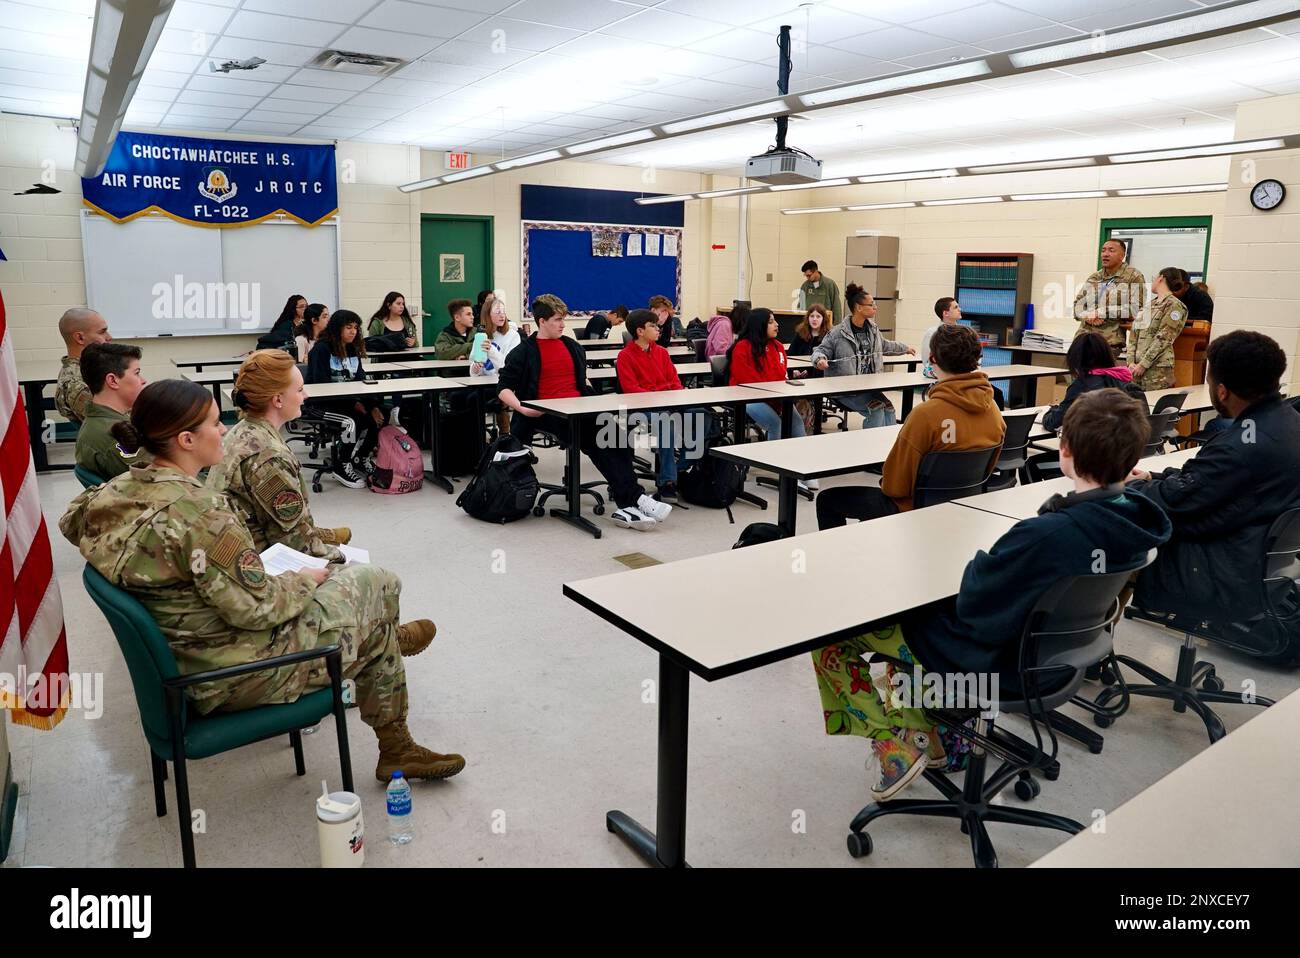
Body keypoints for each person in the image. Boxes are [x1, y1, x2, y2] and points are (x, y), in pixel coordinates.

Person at [59, 379, 464, 782]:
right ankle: (395, 734)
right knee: (375, 582)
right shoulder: (201, 514)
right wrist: (304, 579)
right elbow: (258, 609)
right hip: (229, 674)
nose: (224, 431)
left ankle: (389, 682)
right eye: (215, 424)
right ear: (185, 439)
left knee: (366, 597)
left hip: (186, 653)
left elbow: (70, 521)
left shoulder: (114, 492)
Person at [813, 388, 1170, 799]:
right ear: (1134, 459)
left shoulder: (1046, 533)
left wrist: (982, 559)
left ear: (1065, 449)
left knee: (832, 637)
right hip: (1057, 662)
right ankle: (929, 737)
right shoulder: (1136, 521)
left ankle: (893, 746)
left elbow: (973, 602)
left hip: (1000, 665)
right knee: (911, 627)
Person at [1128, 331, 1300, 624]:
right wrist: (1153, 477)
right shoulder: (1289, 422)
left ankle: (1085, 629)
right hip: (1263, 562)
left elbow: (1175, 502)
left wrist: (1130, 486)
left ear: (1222, 392)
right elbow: (1209, 487)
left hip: (1225, 572)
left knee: (1116, 519)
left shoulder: (1239, 447)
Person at [496, 297, 672, 531]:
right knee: (598, 438)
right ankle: (634, 499)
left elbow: (582, 380)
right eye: (557, 320)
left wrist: (596, 400)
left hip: (579, 408)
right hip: (547, 413)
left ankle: (629, 503)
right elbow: (503, 389)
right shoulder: (523, 352)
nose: (562, 324)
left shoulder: (572, 346)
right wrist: (522, 408)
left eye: (563, 319)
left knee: (615, 436)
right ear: (542, 321)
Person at [814, 324, 1005, 530]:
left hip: (915, 510)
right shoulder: (993, 410)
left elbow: (895, 487)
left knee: (828, 500)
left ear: (932, 359)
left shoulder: (926, 415)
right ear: (976, 359)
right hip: (965, 506)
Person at [208, 349, 353, 563]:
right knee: (381, 579)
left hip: (234, 548)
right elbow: (296, 547)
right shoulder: (268, 457)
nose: (306, 396)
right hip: (255, 564)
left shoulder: (243, 430)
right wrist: (343, 558)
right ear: (277, 399)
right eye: (300, 390)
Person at [1026, 332, 1142, 481]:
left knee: (1031, 464)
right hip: (1124, 459)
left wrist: (1051, 411)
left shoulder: (1081, 386)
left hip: (1093, 461)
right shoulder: (1124, 380)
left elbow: (1053, 422)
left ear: (1076, 359)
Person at [728, 309, 813, 490]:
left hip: (775, 396)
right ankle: (781, 471)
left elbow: (780, 375)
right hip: (747, 397)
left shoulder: (777, 346)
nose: (777, 325)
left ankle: (803, 467)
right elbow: (746, 381)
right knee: (777, 425)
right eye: (771, 322)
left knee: (797, 422)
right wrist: (775, 395)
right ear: (759, 325)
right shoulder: (742, 347)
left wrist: (785, 388)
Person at [811, 283, 915, 428]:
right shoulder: (837, 332)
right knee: (876, 410)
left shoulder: (872, 329)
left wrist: (905, 348)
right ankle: (870, 444)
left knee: (889, 409)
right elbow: (819, 350)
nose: (875, 307)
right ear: (859, 307)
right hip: (845, 390)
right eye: (871, 304)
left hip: (868, 388)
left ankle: (889, 446)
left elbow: (884, 345)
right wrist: (820, 360)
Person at [305, 309, 385, 488]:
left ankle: (361, 458)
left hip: (346, 402)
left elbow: (360, 380)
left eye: (356, 328)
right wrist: (354, 403)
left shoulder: (351, 349)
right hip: (320, 403)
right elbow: (322, 386)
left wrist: (372, 406)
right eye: (348, 327)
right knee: (351, 422)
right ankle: (342, 464)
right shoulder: (322, 350)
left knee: (377, 418)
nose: (353, 331)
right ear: (336, 328)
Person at [617, 308, 690, 499]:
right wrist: (660, 397)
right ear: (640, 331)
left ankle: (678, 468)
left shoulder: (662, 353)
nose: (659, 329)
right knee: (666, 422)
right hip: (640, 409)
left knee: (703, 415)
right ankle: (667, 482)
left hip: (666, 404)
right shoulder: (625, 356)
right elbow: (631, 390)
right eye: (653, 326)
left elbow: (675, 382)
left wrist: (679, 396)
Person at [75, 342, 148, 479]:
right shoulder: (110, 437)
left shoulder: (107, 422)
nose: (143, 381)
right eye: (137, 373)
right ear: (113, 381)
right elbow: (155, 480)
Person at [1073, 239, 1146, 350]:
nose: (1105, 254)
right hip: (1083, 339)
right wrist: (1087, 315)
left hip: (1109, 343)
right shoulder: (1095, 277)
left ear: (1122, 255)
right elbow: (1076, 307)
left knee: (1100, 368)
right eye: (1103, 251)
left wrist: (1102, 312)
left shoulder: (1133, 276)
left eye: (1111, 250)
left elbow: (1136, 309)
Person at [1128, 267, 1188, 391]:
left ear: (1161, 278)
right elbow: (1134, 334)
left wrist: (1144, 364)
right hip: (1135, 368)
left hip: (1157, 370)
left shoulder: (1174, 305)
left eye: (1155, 278)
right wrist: (1130, 361)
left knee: (1154, 406)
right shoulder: (1150, 305)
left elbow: (1164, 338)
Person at [56, 307, 111, 423]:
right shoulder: (76, 383)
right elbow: (108, 422)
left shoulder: (90, 368)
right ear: (80, 338)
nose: (109, 337)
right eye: (102, 332)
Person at [788, 304, 832, 432]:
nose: (814, 319)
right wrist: (794, 370)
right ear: (808, 318)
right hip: (798, 373)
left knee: (817, 385)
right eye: (812, 316)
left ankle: (816, 427)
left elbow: (827, 358)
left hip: (818, 375)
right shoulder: (800, 334)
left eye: (818, 316)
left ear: (824, 319)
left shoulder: (828, 336)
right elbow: (790, 355)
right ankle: (794, 422)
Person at [921, 297, 962, 380]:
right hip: (941, 373)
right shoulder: (933, 333)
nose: (960, 309)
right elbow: (926, 359)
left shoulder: (963, 333)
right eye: (955, 307)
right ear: (946, 313)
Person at [799, 260, 844, 325]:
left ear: (816, 271)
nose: (807, 278)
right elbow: (800, 307)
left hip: (825, 324)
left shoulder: (830, 284)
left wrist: (837, 326)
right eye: (806, 276)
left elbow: (836, 306)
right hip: (809, 324)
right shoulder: (805, 286)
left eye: (809, 275)